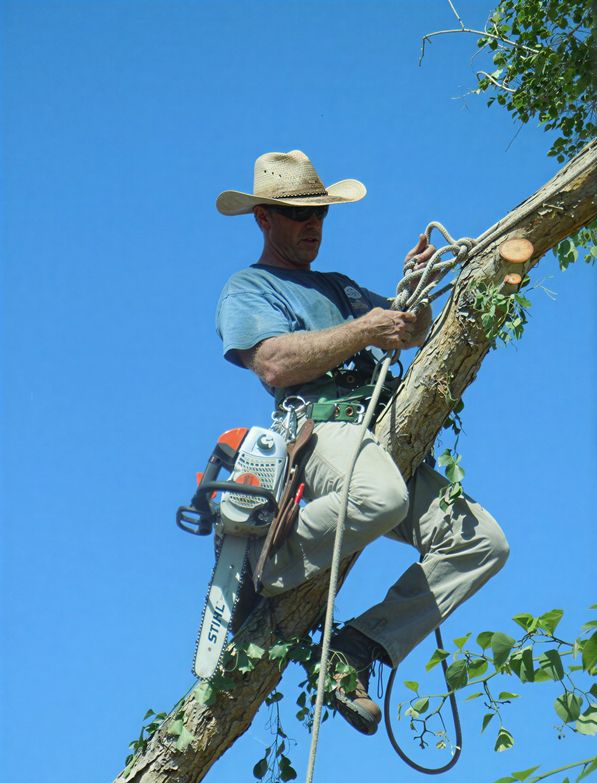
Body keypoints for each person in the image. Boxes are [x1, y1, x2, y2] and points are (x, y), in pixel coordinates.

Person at [215, 150, 509, 735]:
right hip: (319, 431)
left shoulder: (339, 287)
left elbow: (409, 327)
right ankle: (270, 557)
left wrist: (415, 291)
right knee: (381, 498)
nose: (313, 226)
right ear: (263, 219)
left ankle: (356, 647)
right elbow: (272, 364)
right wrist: (364, 330)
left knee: (482, 544)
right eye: (297, 215)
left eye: (320, 214)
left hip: (378, 434)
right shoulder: (250, 287)